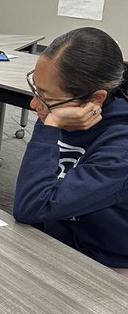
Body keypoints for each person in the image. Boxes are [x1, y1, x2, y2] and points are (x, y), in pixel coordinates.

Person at [13, 26, 128, 273]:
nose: (34, 104)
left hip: (103, 265)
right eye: (36, 88)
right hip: (56, 243)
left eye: (45, 97)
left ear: (96, 99)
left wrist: (49, 125)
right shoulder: (69, 113)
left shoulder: (120, 151)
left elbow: (31, 205)